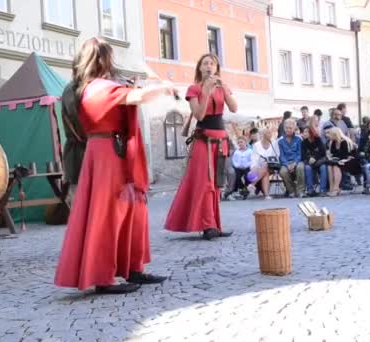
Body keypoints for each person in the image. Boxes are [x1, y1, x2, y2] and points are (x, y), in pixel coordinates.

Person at [54, 38, 170, 294]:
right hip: (106, 155)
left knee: (131, 211)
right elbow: (139, 97)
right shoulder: (98, 89)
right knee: (108, 215)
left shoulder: (90, 88)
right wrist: (164, 87)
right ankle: (103, 276)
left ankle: (132, 268)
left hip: (109, 153)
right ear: (103, 60)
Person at [165, 53, 238, 240]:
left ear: (217, 68)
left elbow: (234, 108)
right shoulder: (194, 89)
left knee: (216, 183)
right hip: (203, 141)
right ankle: (207, 226)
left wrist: (225, 90)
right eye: (205, 63)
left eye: (212, 64)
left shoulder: (222, 87)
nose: (209, 66)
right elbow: (199, 115)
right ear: (199, 68)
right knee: (205, 182)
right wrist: (206, 91)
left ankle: (215, 224)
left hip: (220, 141)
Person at [60, 60, 87, 205]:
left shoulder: (82, 88)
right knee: (79, 202)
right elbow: (75, 118)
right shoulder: (72, 89)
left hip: (85, 150)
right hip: (78, 153)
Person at [326, 127, 359, 196]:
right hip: (341, 160)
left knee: (336, 166)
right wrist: (334, 159)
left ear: (335, 135)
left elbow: (345, 155)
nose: (328, 136)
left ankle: (336, 188)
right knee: (329, 166)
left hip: (351, 160)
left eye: (330, 134)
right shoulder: (333, 142)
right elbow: (333, 154)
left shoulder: (345, 142)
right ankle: (331, 188)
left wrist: (336, 159)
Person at [249, 128, 280, 200]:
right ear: (262, 135)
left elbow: (277, 155)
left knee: (265, 165)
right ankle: (267, 195)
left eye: (270, 133)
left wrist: (268, 162)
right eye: (267, 133)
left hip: (273, 166)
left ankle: (253, 184)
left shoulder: (274, 143)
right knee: (265, 171)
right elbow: (254, 158)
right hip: (260, 167)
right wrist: (253, 167)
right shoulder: (256, 145)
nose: (270, 135)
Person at [278, 118, 305, 197]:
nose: (288, 130)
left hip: (297, 161)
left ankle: (300, 190)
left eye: (290, 128)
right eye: (286, 128)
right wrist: (287, 165)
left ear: (294, 129)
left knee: (300, 167)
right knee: (283, 171)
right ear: (284, 128)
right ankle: (291, 190)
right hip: (286, 162)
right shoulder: (280, 141)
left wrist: (294, 163)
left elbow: (300, 154)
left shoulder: (299, 139)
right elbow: (281, 156)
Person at [302, 126, 328, 197]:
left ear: (311, 133)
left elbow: (323, 152)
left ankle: (322, 190)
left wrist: (314, 158)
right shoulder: (303, 142)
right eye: (303, 132)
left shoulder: (318, 140)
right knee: (307, 168)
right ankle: (310, 190)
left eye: (306, 132)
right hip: (309, 162)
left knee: (323, 167)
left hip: (318, 161)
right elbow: (303, 154)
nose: (303, 133)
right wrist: (309, 158)